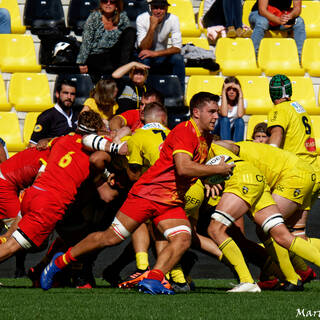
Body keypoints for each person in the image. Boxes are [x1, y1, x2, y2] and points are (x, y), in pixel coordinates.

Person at [39, 91, 234, 294]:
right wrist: (216, 170)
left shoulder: (207, 137)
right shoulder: (185, 131)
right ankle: (60, 261)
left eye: (216, 112)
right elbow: (183, 167)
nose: (215, 116)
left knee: (183, 239)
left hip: (170, 199)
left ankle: (153, 280)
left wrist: (209, 179)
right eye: (211, 111)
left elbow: (189, 170)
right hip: (147, 194)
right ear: (196, 112)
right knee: (110, 237)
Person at [0, 111, 115, 264]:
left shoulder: (62, 140)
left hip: (33, 193)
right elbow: (106, 192)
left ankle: (34, 270)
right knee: (22, 244)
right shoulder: (95, 149)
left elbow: (44, 166)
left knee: (10, 238)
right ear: (96, 134)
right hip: (43, 200)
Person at [206, 142, 320, 292]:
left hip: (294, 175)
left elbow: (231, 148)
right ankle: (297, 275)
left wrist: (212, 147)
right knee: (289, 234)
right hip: (303, 172)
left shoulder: (229, 150)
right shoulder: (244, 152)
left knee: (274, 231)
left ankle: (293, 275)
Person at [76, 0, 136, 83]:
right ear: (101, 3)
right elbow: (86, 42)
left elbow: (128, 39)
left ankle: (123, 69)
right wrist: (81, 63)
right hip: (96, 55)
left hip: (114, 55)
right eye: (105, 1)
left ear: (116, 5)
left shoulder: (122, 16)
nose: (108, 4)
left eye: (112, 2)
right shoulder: (94, 17)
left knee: (131, 31)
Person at [136, 0, 185, 95]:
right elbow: (143, 47)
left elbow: (177, 48)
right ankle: (144, 95)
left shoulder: (173, 19)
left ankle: (180, 95)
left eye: (161, 8)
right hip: (146, 55)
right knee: (144, 59)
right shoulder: (142, 18)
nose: (158, 11)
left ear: (166, 9)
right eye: (155, 8)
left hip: (161, 54)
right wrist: (152, 27)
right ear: (151, 8)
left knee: (178, 59)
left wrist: (155, 54)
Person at [29, 80, 79, 147]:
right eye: (65, 93)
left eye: (72, 94)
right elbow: (32, 145)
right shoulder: (46, 116)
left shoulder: (79, 113)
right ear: (57, 94)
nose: (69, 97)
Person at [214, 76, 246, 142]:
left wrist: (240, 93)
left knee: (240, 121)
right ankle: (226, 146)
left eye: (234, 89)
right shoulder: (218, 100)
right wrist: (223, 92)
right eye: (228, 89)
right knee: (224, 119)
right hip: (218, 132)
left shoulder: (242, 101)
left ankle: (238, 146)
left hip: (232, 132)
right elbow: (224, 114)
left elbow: (240, 115)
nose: (231, 92)